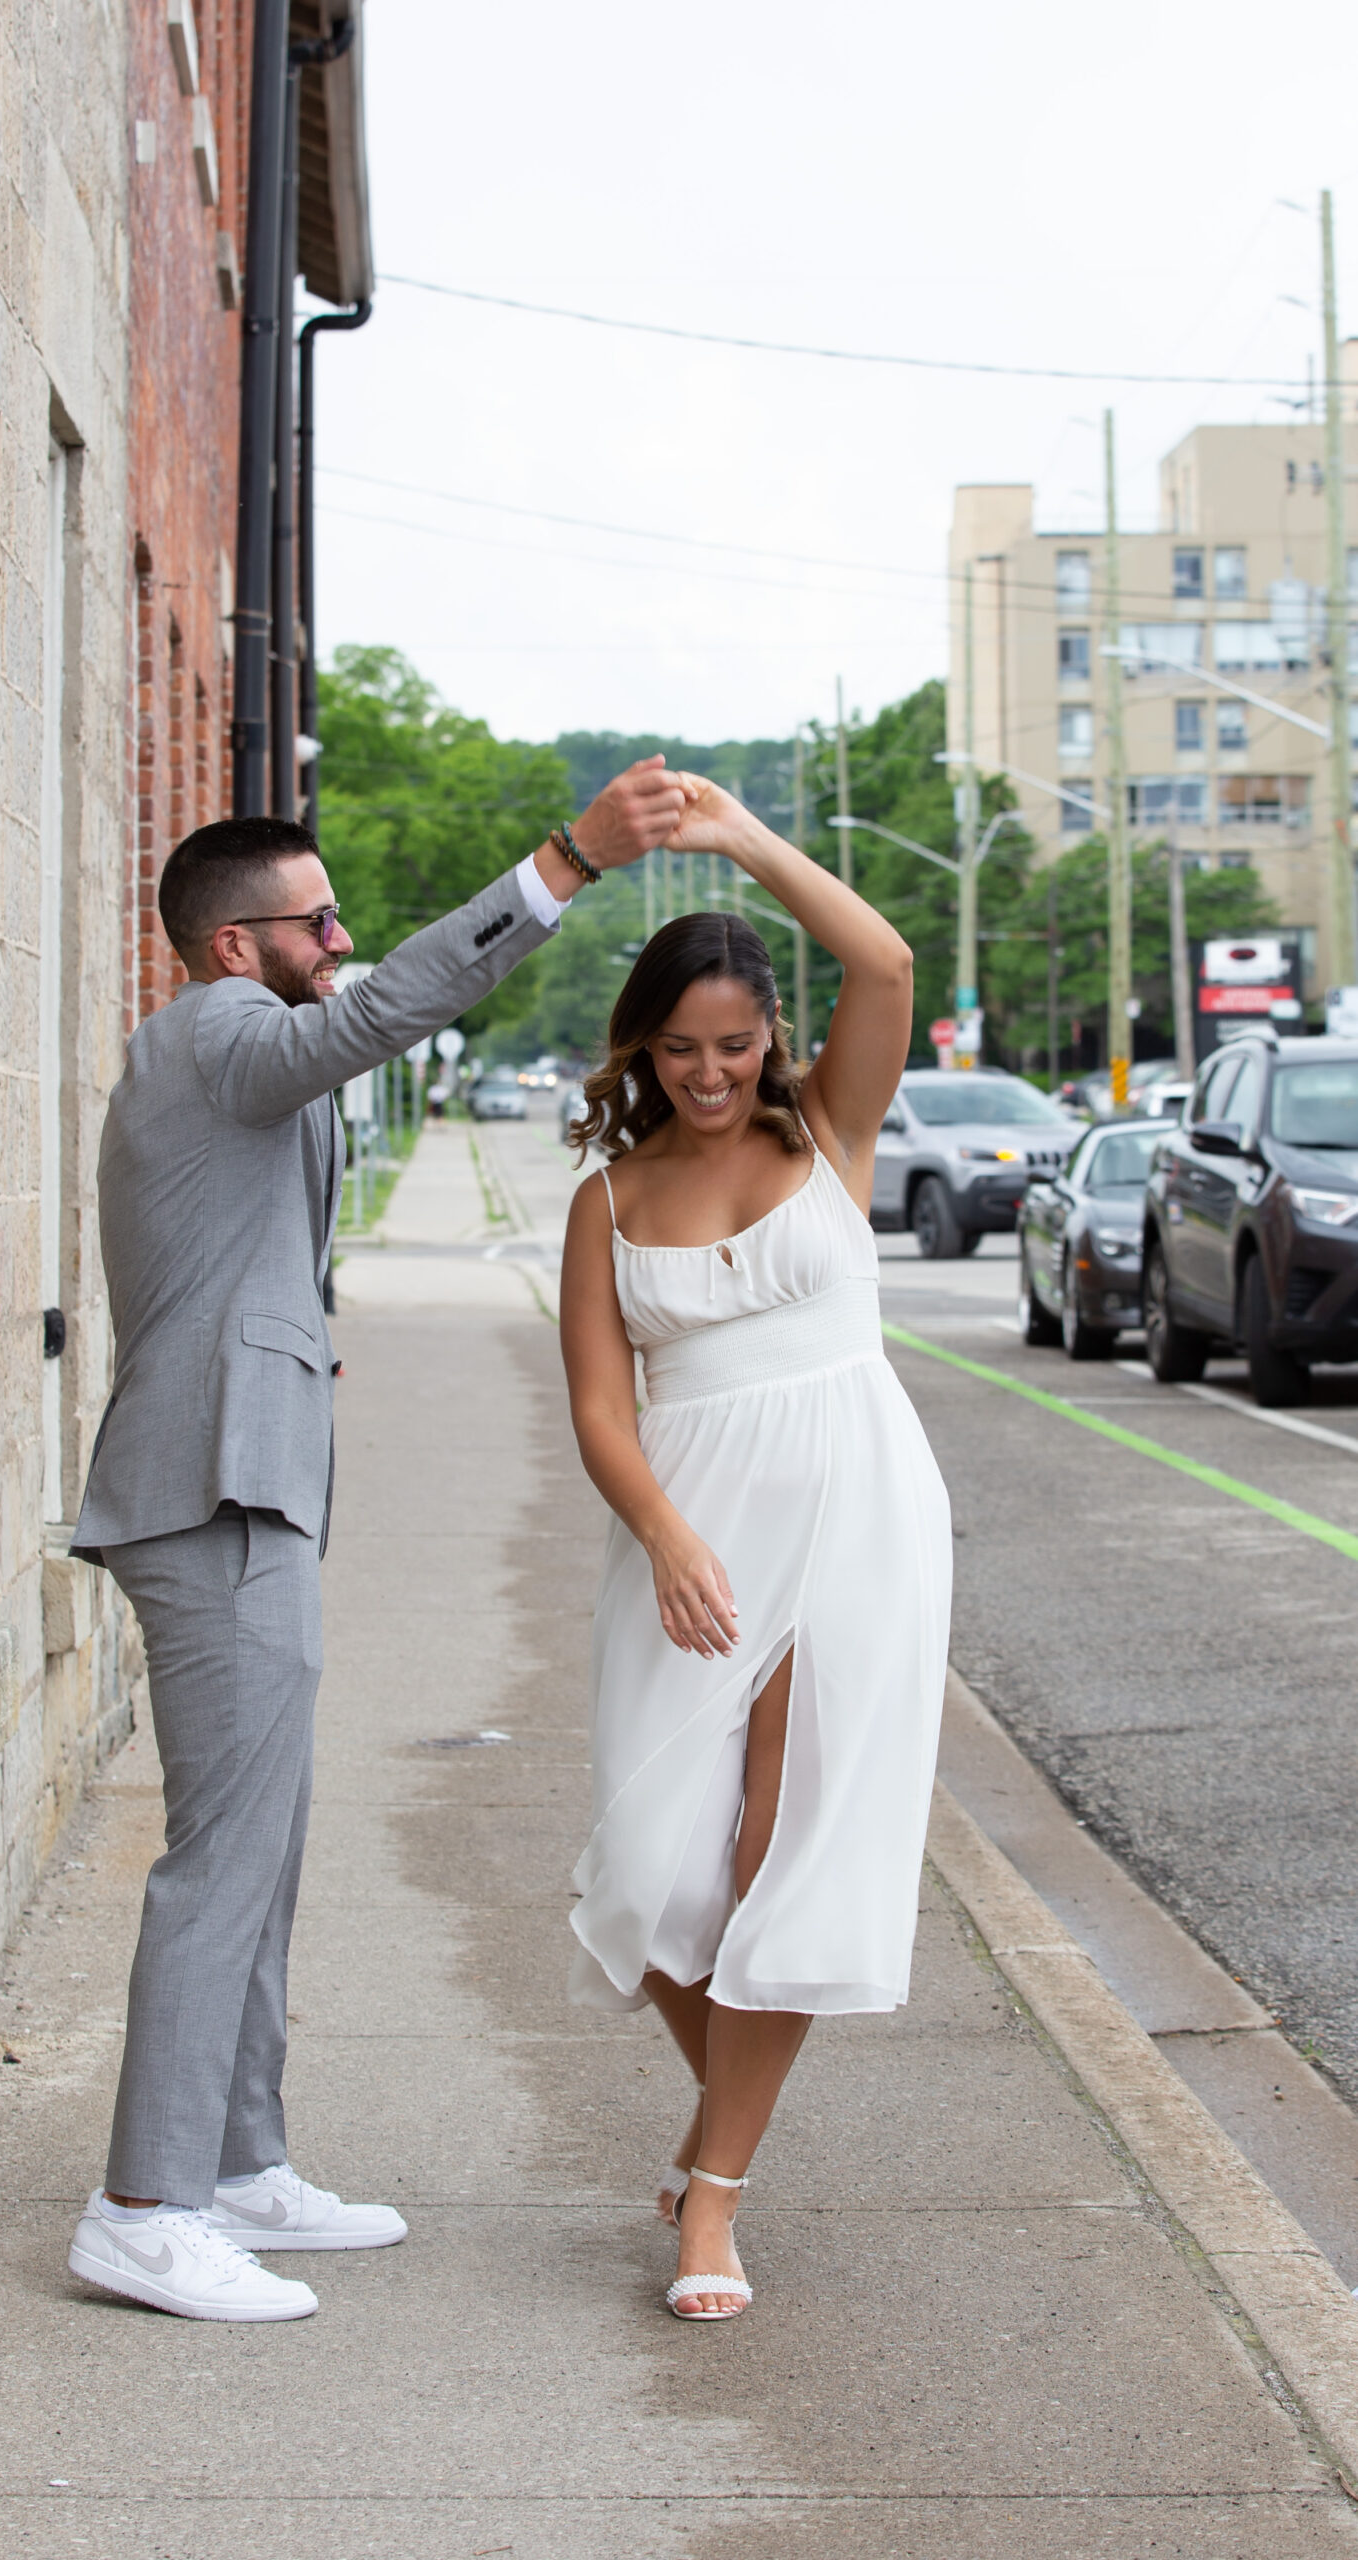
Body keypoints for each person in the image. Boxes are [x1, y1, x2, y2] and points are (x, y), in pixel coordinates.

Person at [66, 762, 688, 2323]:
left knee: (260, 1849)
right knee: (222, 1863)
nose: (339, 940)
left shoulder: (231, 1054)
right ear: (233, 947)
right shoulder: (217, 1033)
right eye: (316, 921)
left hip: (242, 1482)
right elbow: (383, 1012)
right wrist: (564, 864)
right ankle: (141, 2208)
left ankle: (236, 2164)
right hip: (208, 1494)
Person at [558, 774, 951, 2322]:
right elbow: (600, 1411)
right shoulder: (608, 1197)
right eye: (679, 1048)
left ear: (769, 1037)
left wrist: (740, 840)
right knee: (652, 1874)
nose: (710, 1072)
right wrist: (664, 1538)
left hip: (854, 1511)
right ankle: (717, 2124)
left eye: (733, 1044)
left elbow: (886, 963)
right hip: (691, 1536)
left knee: (780, 1852)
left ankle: (711, 2198)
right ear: (640, 1050)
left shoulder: (828, 1131)